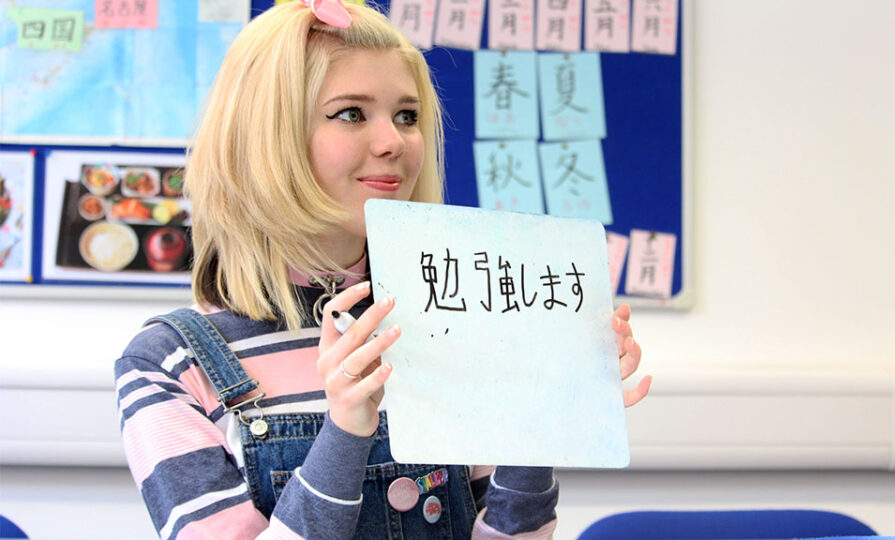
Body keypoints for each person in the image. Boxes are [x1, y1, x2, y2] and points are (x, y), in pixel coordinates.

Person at [113, 1, 653, 538]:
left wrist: (545, 413)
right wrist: (345, 432)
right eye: (350, 113)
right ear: (264, 138)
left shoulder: (451, 316)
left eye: (407, 115)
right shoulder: (168, 363)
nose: (394, 142)